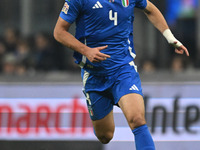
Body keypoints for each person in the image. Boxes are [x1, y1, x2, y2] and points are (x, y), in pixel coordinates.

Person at [54, 0, 189, 149]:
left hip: (123, 69)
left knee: (137, 119)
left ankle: (122, 96)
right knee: (105, 135)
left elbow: (150, 9)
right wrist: (86, 51)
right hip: (94, 73)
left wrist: (170, 38)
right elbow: (59, 32)